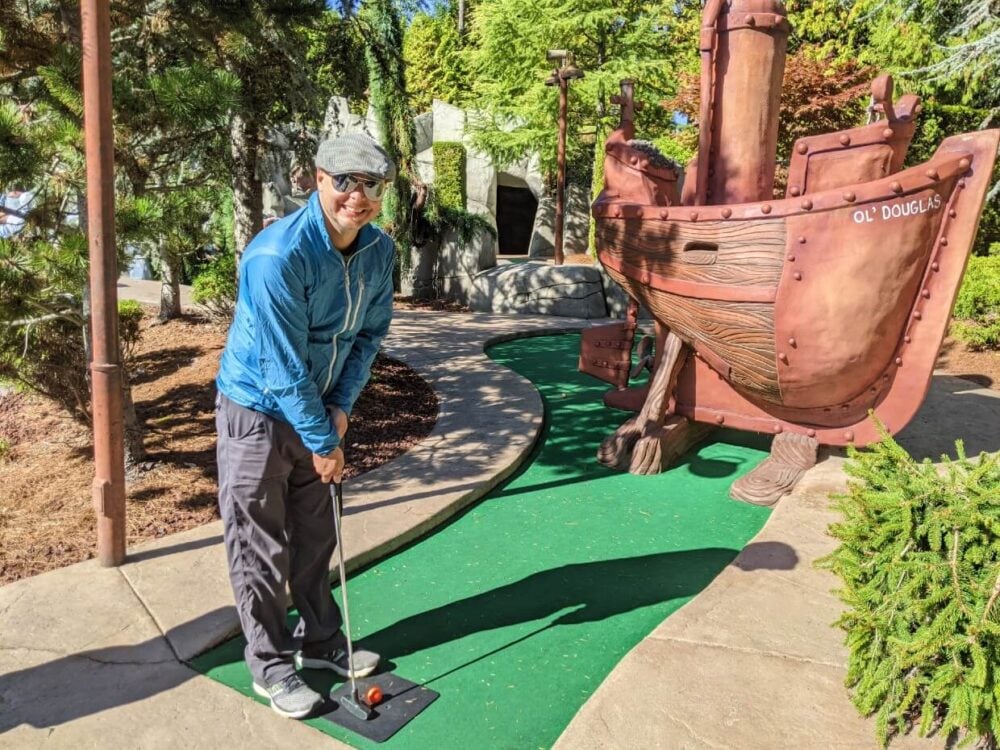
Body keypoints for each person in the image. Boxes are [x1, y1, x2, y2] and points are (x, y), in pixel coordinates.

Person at [215, 133, 397, 719]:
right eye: (345, 181)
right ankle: (269, 666)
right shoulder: (277, 256)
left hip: (318, 407)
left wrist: (340, 410)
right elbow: (281, 365)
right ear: (317, 179)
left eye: (371, 185)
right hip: (257, 412)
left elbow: (367, 337)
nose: (358, 196)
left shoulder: (378, 253)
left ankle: (320, 643)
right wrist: (324, 438)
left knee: (315, 536)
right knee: (259, 546)